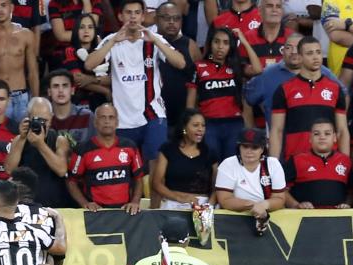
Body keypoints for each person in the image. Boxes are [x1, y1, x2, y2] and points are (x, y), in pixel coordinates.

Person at [85, 0, 186, 178]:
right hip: (123, 119)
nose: (133, 16)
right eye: (129, 12)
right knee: (126, 170)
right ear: (121, 16)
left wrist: (155, 40)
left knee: (156, 166)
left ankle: (154, 207)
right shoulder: (112, 40)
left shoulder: (153, 40)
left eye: (137, 12)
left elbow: (180, 63)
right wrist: (113, 41)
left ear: (143, 15)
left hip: (153, 114)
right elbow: (89, 64)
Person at [269, 36, 349, 160]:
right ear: (300, 57)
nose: (316, 57)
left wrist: (344, 162)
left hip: (328, 163)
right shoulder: (284, 89)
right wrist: (273, 165)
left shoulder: (335, 89)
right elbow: (276, 131)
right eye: (309, 53)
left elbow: (342, 130)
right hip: (295, 161)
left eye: (318, 52)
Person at [187, 27, 261, 160]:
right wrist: (189, 127)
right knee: (211, 163)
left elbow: (257, 69)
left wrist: (243, 41)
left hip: (234, 124)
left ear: (231, 46)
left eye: (226, 43)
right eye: (217, 42)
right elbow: (190, 103)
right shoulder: (198, 67)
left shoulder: (236, 67)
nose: (220, 47)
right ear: (210, 43)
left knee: (231, 163)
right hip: (208, 125)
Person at [244, 32, 344, 128]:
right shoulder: (267, 75)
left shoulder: (324, 73)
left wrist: (336, 126)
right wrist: (250, 129)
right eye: (289, 47)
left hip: (317, 141)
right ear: (282, 51)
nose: (294, 51)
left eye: (298, 48)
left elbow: (344, 95)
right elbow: (246, 98)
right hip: (280, 139)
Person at [67, 103, 144, 214]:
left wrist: (135, 202)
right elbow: (71, 182)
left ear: (117, 122)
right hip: (96, 214)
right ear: (95, 122)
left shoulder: (130, 147)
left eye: (111, 117)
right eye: (103, 117)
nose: (107, 121)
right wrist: (85, 203)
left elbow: (139, 178)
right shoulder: (82, 150)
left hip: (125, 213)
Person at [5, 97, 75, 207]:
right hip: (25, 206)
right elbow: (9, 170)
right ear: (28, 117)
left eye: (45, 121)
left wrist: (40, 144)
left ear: (51, 118)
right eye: (37, 120)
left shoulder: (59, 140)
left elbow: (61, 170)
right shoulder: (19, 139)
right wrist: (22, 139)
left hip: (54, 206)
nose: (41, 125)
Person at [215, 128, 286, 235]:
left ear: (262, 149)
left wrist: (264, 205)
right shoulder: (228, 164)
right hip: (233, 221)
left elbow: (280, 198)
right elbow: (224, 200)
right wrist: (252, 205)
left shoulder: (273, 164)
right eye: (245, 146)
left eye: (254, 147)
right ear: (239, 147)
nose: (249, 151)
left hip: (270, 221)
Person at [152, 109, 218, 210]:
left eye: (203, 125)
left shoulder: (210, 153)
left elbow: (216, 188)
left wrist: (208, 207)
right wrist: (180, 198)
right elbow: (157, 183)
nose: (200, 129)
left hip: (202, 206)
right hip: (173, 202)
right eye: (196, 125)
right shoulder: (168, 149)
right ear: (184, 128)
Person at [284, 118, 353, 208]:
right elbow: (281, 191)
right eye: (316, 134)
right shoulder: (296, 160)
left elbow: (352, 191)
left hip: (339, 219)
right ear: (310, 138)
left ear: (335, 138)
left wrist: (347, 204)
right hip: (304, 218)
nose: (322, 137)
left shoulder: (345, 161)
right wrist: (296, 205)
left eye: (327, 133)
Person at [155, 2, 200, 132]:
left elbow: (200, 77)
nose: (171, 22)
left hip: (184, 115)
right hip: (155, 116)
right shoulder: (149, 44)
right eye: (166, 18)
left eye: (176, 18)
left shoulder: (190, 44)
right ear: (157, 20)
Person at [59, 14, 112, 111]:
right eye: (82, 27)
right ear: (76, 31)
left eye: (90, 27)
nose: (86, 31)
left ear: (95, 31)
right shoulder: (70, 50)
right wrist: (106, 91)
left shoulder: (101, 52)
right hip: (79, 103)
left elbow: (112, 79)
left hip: (102, 102)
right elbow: (78, 80)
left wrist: (91, 79)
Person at [46, 69, 97, 148]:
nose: (60, 90)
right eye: (56, 86)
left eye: (65, 85)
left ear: (72, 90)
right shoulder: (44, 117)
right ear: (49, 91)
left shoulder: (87, 116)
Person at [240, 0, 293, 72]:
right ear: (260, 11)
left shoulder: (292, 37)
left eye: (278, 6)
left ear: (282, 12)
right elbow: (241, 67)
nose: (274, 10)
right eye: (269, 6)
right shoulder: (248, 37)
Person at [49, 0, 103, 70]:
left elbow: (91, 29)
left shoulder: (95, 1)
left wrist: (86, 2)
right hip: (63, 52)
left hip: (90, 50)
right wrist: (85, 34)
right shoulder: (55, 3)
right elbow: (61, 35)